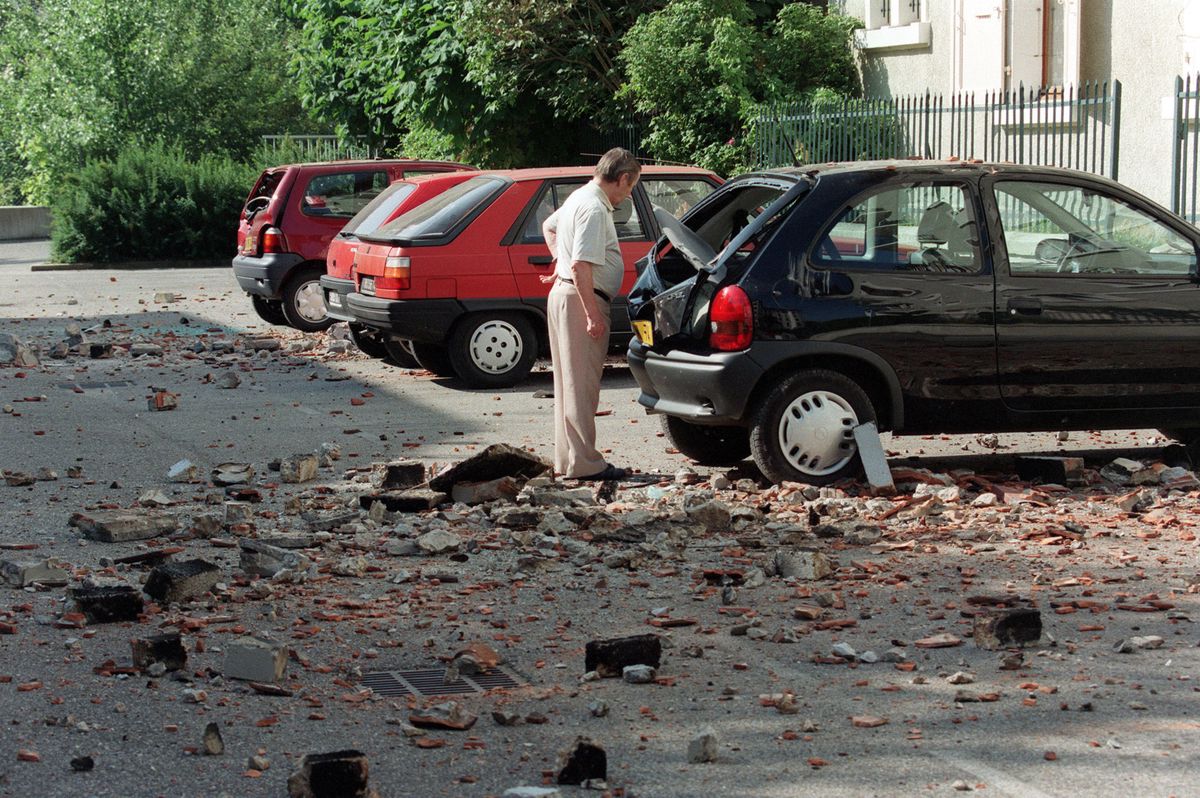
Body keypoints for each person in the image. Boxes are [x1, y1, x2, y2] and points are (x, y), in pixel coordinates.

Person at [540, 148, 641, 480]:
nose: (627, 195)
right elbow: (582, 265)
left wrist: (559, 263)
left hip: (564, 294)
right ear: (623, 178)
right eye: (630, 187)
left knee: (570, 385)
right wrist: (591, 314)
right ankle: (585, 464)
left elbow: (548, 227)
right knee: (582, 386)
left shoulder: (577, 197)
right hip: (580, 298)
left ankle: (570, 461)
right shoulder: (595, 208)